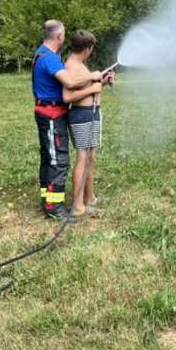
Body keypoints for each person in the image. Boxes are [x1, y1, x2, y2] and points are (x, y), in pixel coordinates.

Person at [32, 20, 111, 221]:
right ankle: (54, 206)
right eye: (63, 35)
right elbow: (69, 85)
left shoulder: (49, 56)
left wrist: (97, 80)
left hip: (54, 112)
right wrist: (94, 83)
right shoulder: (50, 59)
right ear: (59, 36)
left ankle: (51, 199)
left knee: (52, 158)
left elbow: (73, 84)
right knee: (58, 161)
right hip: (51, 113)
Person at [63, 31, 110, 218]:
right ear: (88, 48)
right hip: (82, 116)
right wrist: (93, 86)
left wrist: (102, 83)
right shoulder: (72, 66)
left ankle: (89, 198)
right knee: (83, 158)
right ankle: (77, 205)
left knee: (90, 158)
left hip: (90, 115)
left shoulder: (79, 65)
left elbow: (86, 89)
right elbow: (68, 96)